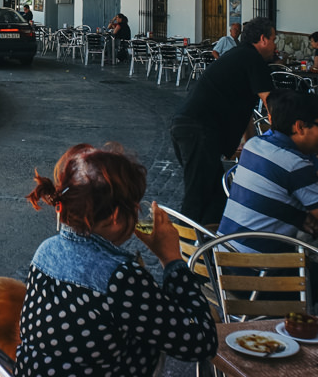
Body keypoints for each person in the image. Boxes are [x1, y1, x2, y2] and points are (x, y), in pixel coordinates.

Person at [18, 143, 217, 376]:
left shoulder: (46, 251)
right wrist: (171, 259)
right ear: (115, 216)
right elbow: (200, 340)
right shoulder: (119, 278)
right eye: (135, 209)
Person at [219, 90, 318, 308]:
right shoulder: (294, 165)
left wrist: (299, 217)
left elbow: (272, 200)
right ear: (300, 127)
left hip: (224, 264)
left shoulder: (256, 144)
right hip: (258, 277)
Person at [168, 16, 278, 226]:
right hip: (198, 129)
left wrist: (251, 144)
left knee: (216, 197)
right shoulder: (253, 59)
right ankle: (183, 252)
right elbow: (274, 105)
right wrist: (283, 144)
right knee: (198, 195)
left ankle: (210, 250)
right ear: (263, 39)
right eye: (274, 39)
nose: (275, 45)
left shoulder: (240, 56)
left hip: (187, 125)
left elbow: (244, 108)